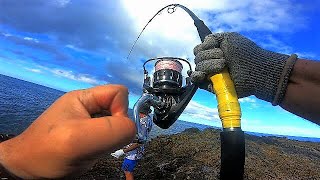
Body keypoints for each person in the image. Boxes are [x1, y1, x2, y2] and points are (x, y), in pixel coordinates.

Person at [0, 32, 318, 179]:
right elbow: (159, 119)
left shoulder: (149, 98)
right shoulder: (154, 98)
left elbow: (157, 119)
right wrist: (273, 72)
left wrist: (12, 160)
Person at [111, 104, 152, 180]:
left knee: (127, 171)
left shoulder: (143, 123)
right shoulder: (148, 119)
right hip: (135, 151)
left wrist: (123, 151)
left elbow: (140, 142)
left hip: (133, 154)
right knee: (127, 170)